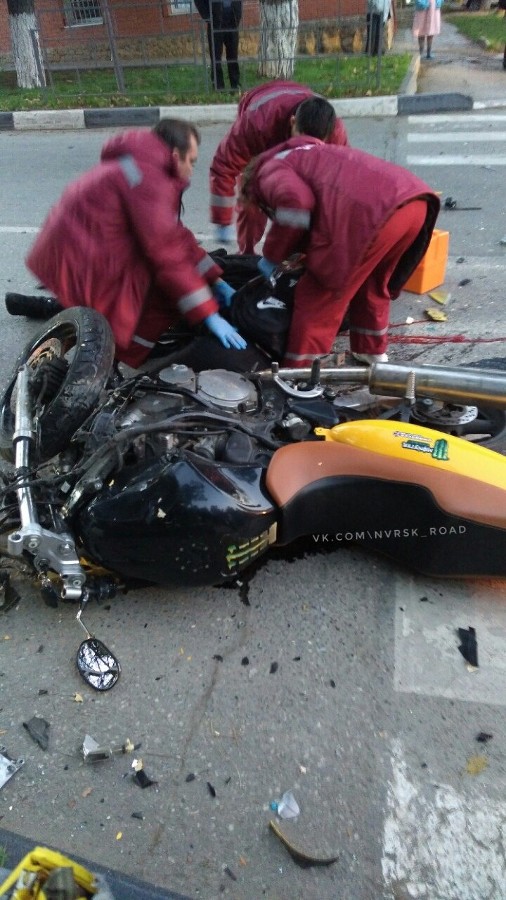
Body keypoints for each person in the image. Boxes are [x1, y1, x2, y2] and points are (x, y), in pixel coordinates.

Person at [24, 119, 246, 369]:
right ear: (176, 156)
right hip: (82, 260)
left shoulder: (143, 164)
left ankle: (121, 348)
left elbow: (176, 236)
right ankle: (110, 359)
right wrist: (208, 313)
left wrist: (215, 280)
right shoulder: (151, 180)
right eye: (191, 162)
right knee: (164, 291)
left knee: (171, 282)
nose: (192, 170)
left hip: (75, 251)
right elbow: (169, 256)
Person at [240, 135, 440, 367]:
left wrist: (272, 256)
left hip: (373, 216)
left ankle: (301, 372)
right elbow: (323, 206)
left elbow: (296, 203)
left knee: (318, 295)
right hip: (414, 202)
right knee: (372, 282)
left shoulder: (267, 172)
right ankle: (371, 352)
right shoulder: (306, 153)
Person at [209, 84, 349, 254]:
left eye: (312, 146)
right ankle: (247, 252)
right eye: (301, 141)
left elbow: (340, 182)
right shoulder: (256, 123)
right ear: (292, 122)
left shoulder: (335, 132)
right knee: (251, 197)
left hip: (289, 101)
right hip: (264, 121)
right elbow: (224, 165)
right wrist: (222, 219)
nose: (303, 148)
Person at [194, 0, 242, 91]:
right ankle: (218, 87)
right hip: (215, 22)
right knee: (215, 58)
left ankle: (235, 85)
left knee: (233, 56)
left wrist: (238, 13)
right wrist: (207, 17)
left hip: (232, 20)